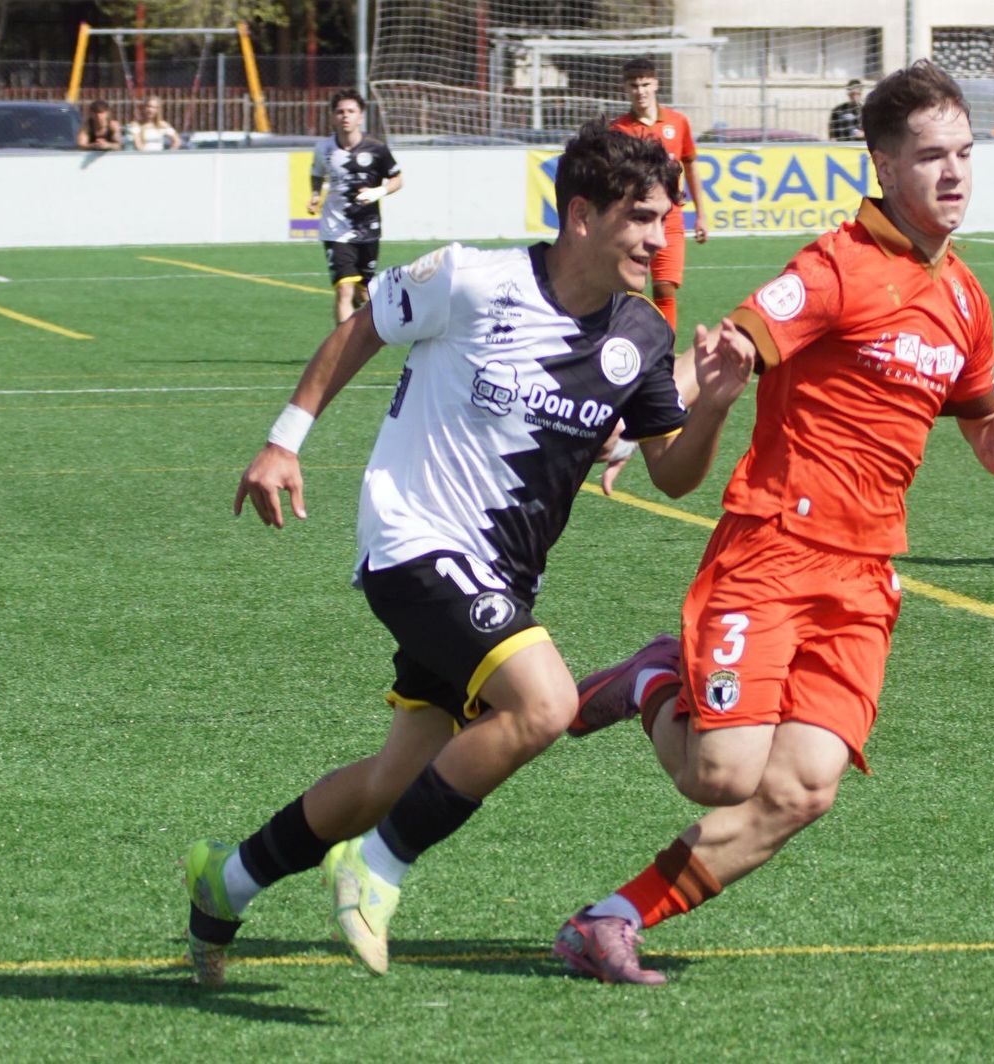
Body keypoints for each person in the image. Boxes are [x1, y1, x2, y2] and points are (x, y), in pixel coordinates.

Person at [181, 118, 755, 986]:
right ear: (581, 216)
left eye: (665, 218)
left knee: (387, 781)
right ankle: (375, 871)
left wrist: (711, 405)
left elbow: (674, 473)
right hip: (412, 542)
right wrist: (283, 439)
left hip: (500, 577)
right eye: (641, 218)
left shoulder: (639, 335)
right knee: (546, 703)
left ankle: (224, 881)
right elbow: (364, 326)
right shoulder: (472, 279)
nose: (658, 236)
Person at [552, 60, 994, 985]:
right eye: (929, 157)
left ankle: (612, 920)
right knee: (721, 775)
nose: (953, 173)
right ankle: (648, 682)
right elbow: (727, 347)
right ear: (881, 163)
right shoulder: (836, 267)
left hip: (867, 576)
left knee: (802, 788)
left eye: (964, 153)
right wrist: (636, 418)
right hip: (775, 549)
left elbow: (989, 425)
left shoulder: (964, 298)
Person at [610, 56, 707, 333]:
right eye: (634, 85)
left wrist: (701, 215)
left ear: (656, 84)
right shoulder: (618, 130)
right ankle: (630, 345)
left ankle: (664, 353)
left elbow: (690, 165)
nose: (640, 90)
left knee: (665, 288)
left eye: (645, 83)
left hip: (671, 219)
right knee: (629, 287)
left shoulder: (678, 122)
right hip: (633, 220)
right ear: (625, 88)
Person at [309, 89, 402, 323]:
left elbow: (397, 180)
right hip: (335, 228)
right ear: (332, 117)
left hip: (368, 228)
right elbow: (317, 173)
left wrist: (377, 192)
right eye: (340, 112)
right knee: (344, 290)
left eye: (351, 111)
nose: (345, 116)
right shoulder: (324, 148)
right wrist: (314, 194)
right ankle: (343, 350)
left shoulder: (377, 149)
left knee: (363, 294)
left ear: (361, 116)